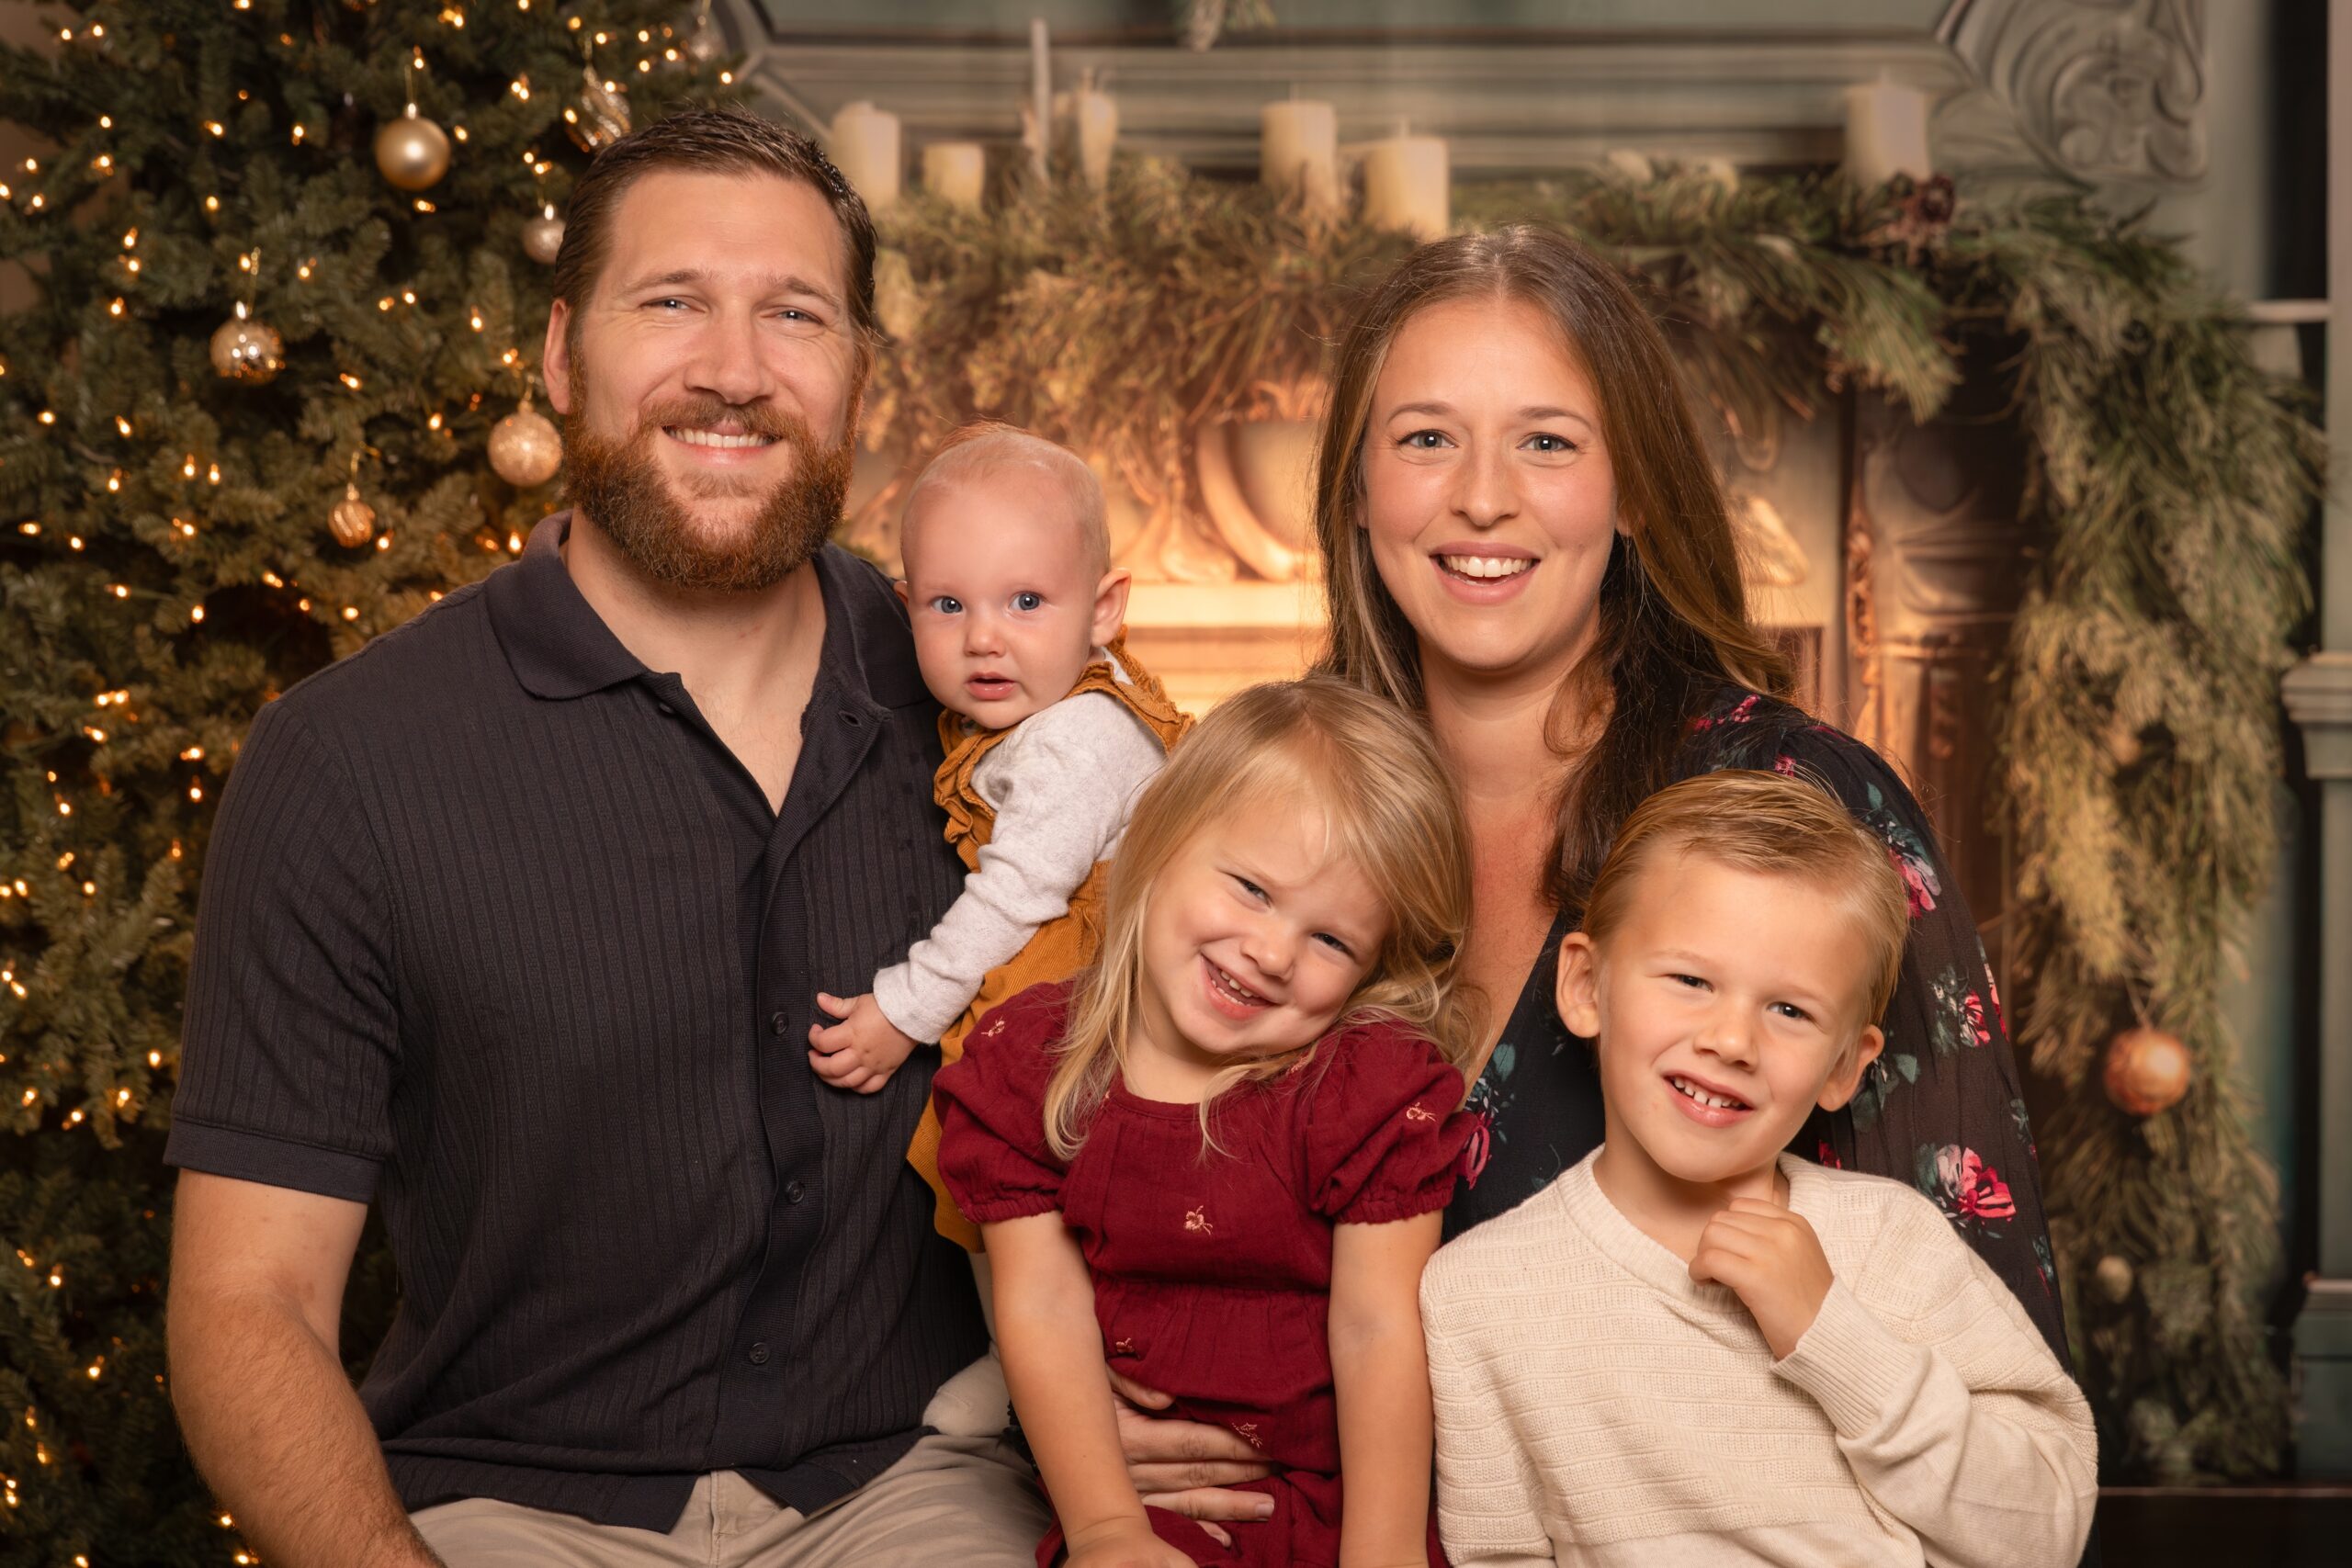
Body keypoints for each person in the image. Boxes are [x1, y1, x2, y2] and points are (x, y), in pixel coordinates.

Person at [1108, 223, 2082, 1549]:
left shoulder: (1793, 808)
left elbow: (1988, 1371)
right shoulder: (1275, 817)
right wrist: (1084, 1402)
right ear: (1353, 488)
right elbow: (1103, 1160)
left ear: (1632, 490)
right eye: (1426, 438)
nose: (1484, 499)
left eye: (1549, 442)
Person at [164, 109, 1049, 1568]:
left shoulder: (1009, 718)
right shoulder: (346, 760)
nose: (734, 370)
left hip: (920, 1479)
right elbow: (245, 1305)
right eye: (674, 302)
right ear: (563, 355)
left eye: (794, 314)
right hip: (508, 1509)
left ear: (858, 378)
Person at [1421, 769, 2098, 1565]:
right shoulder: (1479, 1294)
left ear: (1846, 1065)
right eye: (1691, 980)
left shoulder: (1889, 1240)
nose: (1732, 1040)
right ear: (1585, 985)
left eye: (1789, 1010)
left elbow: (2047, 1529)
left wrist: (1832, 1334)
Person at [933, 678, 1480, 1568]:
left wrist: (1382, 1552)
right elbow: (1041, 1302)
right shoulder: (1028, 1064)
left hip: (1342, 1502)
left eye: (1331, 941)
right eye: (1251, 889)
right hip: (1141, 1505)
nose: (1270, 954)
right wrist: (1105, 1527)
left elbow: (1381, 1326)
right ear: (1162, 841)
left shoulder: (1364, 1090)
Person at [804, 422, 1192, 1257]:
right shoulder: (1045, 700)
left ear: (1104, 609)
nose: (984, 637)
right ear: (907, 610)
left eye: (1025, 602)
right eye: (949, 605)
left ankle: (1038, 1355)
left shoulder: (1077, 739)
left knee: (1017, 1168)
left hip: (1099, 1005)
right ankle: (1015, 1349)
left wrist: (902, 1010)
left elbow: (1016, 895)